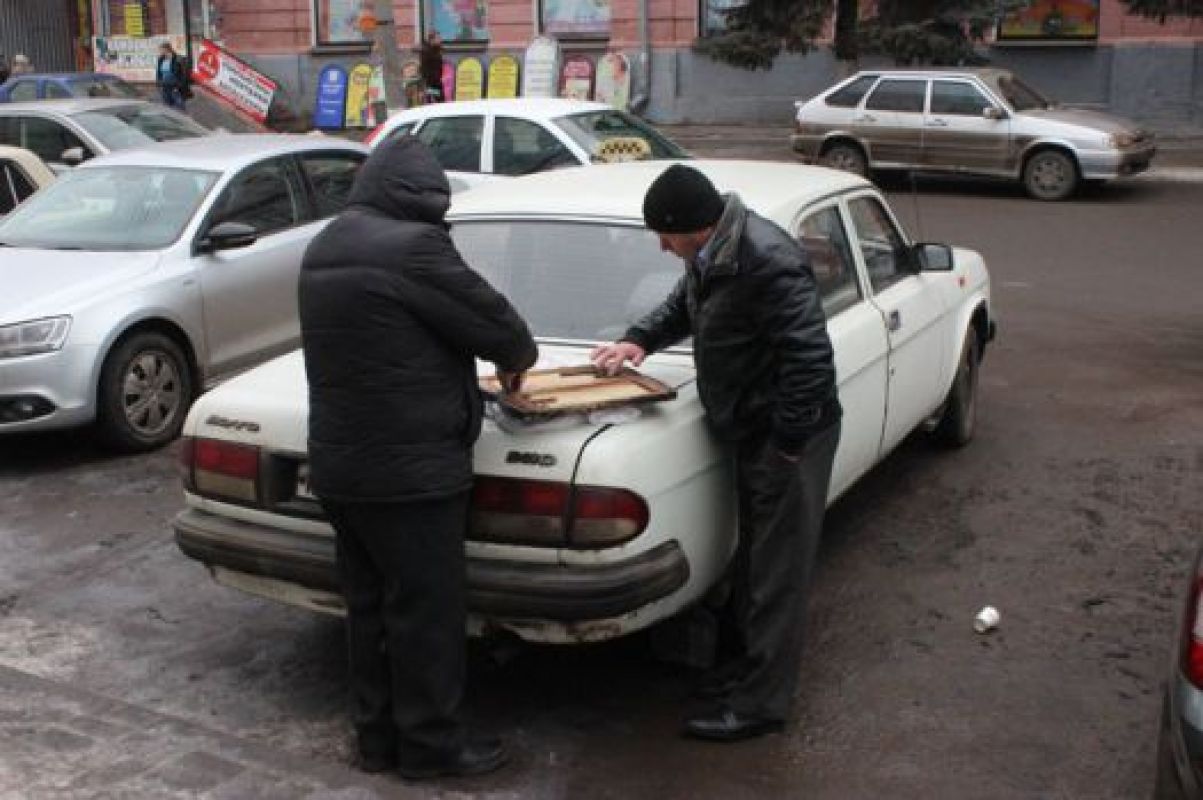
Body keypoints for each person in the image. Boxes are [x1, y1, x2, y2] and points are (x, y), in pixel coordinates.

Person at [297, 135, 537, 779]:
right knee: (426, 615)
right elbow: (497, 325)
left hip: (340, 466)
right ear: (420, 199)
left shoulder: (325, 244)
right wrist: (517, 359)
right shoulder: (414, 248)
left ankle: (376, 741)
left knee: (368, 610)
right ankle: (431, 747)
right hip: (412, 473)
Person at [591, 164, 842, 742]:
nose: (661, 246)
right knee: (754, 561)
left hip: (786, 436)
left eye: (665, 235)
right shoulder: (714, 252)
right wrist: (638, 340)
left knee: (778, 574)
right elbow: (686, 305)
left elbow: (810, 359)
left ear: (694, 227)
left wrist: (787, 445)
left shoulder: (768, 260)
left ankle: (761, 705)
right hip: (754, 428)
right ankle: (745, 671)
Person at [155, 42, 189, 110]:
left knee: (179, 107)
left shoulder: (178, 59)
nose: (160, 52)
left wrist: (179, 86)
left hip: (175, 86)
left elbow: (184, 74)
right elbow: (159, 72)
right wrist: (159, 83)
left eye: (161, 50)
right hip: (165, 86)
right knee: (168, 108)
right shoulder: (161, 59)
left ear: (166, 49)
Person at [418, 30, 444, 103]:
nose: (440, 40)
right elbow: (424, 68)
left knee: (440, 100)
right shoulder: (427, 51)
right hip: (430, 82)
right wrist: (426, 84)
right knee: (436, 99)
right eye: (438, 38)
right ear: (432, 40)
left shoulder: (437, 49)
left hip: (437, 81)